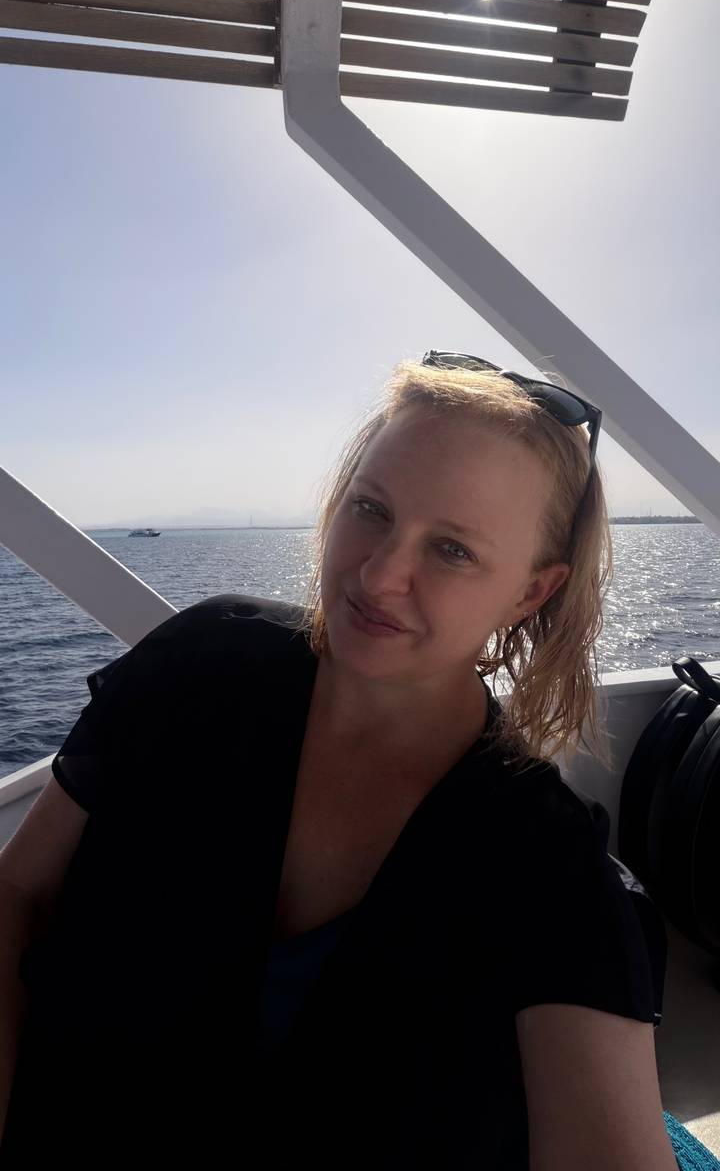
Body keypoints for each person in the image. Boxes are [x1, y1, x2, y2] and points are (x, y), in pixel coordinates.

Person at [0, 351, 675, 1169]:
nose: (380, 574)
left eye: (454, 550)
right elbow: (15, 892)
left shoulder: (545, 864)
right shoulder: (200, 666)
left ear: (533, 592)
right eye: (371, 509)